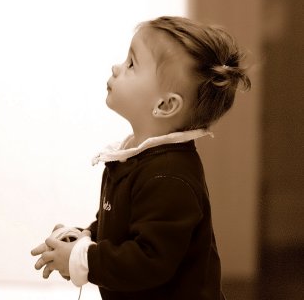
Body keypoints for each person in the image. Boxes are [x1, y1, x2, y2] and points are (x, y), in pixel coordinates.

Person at [31, 16, 251, 299]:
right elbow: (124, 227)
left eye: (132, 64)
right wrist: (83, 239)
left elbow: (148, 260)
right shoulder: (137, 156)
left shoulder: (170, 177)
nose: (116, 67)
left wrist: (84, 259)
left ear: (165, 104)